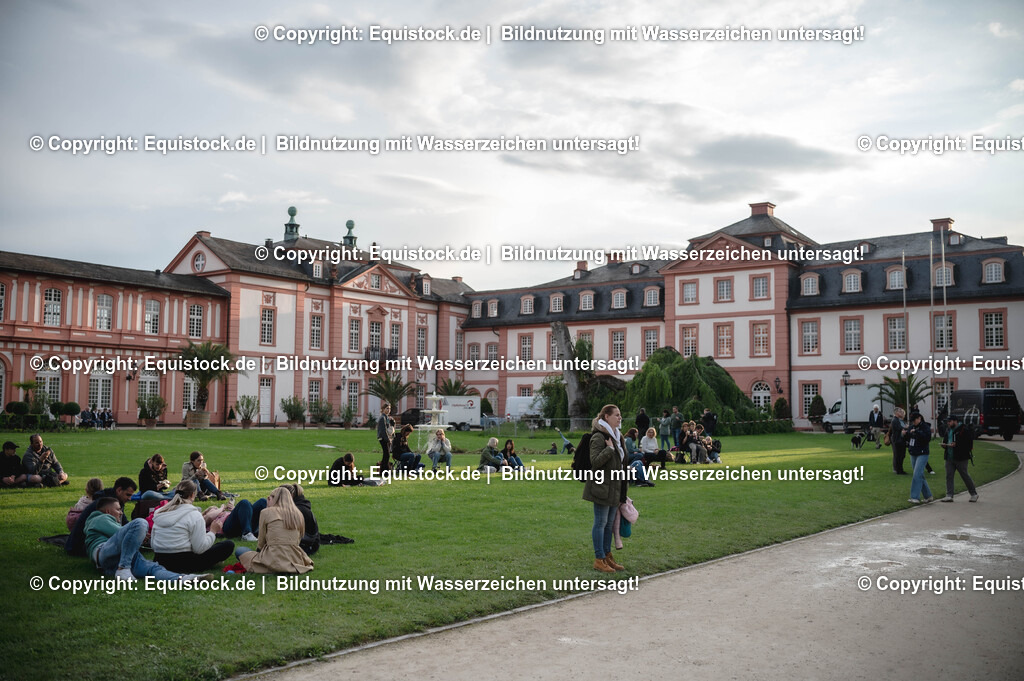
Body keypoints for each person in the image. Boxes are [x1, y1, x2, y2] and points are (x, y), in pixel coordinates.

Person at [85, 497, 202, 582]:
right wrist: (139, 534)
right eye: (118, 509)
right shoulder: (99, 519)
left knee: (152, 568)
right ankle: (123, 568)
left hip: (115, 562)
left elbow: (127, 537)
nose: (121, 513)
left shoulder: (105, 519)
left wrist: (137, 536)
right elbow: (121, 533)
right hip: (104, 551)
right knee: (140, 523)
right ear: (108, 511)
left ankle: (182, 578)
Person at [151, 480, 235, 572]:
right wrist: (213, 531)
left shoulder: (160, 513)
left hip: (159, 560)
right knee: (228, 545)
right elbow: (199, 548)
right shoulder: (194, 515)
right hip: (183, 563)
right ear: (192, 495)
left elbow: (153, 544)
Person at [583, 404, 628, 573]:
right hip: (601, 486)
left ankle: (607, 556)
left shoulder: (618, 436)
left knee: (609, 524)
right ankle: (599, 558)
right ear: (606, 417)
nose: (619, 417)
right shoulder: (599, 436)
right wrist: (609, 449)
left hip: (615, 487)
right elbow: (594, 462)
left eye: (620, 414)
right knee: (600, 523)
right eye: (616, 415)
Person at [235, 486, 314, 574]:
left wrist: (259, 554)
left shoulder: (266, 512)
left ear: (274, 498)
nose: (268, 499)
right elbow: (298, 540)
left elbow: (261, 542)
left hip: (272, 558)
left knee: (240, 550)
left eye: (270, 497)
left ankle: (269, 567)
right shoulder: (298, 514)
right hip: (293, 558)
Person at [65, 477, 138, 555]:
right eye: (128, 495)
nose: (130, 499)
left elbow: (123, 522)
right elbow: (114, 530)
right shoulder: (108, 503)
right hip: (81, 546)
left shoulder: (112, 500)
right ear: (119, 490)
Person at [251, 483, 320, 554]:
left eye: (276, 496)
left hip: (303, 546)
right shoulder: (299, 509)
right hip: (301, 547)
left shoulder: (296, 511)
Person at [940, 414, 979, 503]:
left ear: (955, 421)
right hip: (949, 457)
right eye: (947, 422)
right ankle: (949, 495)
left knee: (964, 475)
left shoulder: (964, 430)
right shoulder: (948, 430)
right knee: (949, 476)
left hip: (961, 458)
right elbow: (946, 441)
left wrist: (957, 445)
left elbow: (969, 445)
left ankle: (974, 494)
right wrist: (944, 445)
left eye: (949, 421)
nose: (948, 423)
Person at [904, 411, 934, 504]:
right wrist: (905, 434)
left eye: (914, 420)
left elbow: (927, 437)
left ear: (919, 418)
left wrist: (917, 432)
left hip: (922, 453)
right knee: (919, 475)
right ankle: (928, 496)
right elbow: (908, 437)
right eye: (912, 421)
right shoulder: (912, 427)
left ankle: (914, 497)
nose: (913, 422)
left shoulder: (925, 427)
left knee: (917, 474)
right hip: (913, 452)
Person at [377, 403, 396, 474]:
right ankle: (384, 470)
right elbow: (383, 430)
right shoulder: (382, 418)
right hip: (383, 438)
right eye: (387, 408)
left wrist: (393, 422)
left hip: (386, 438)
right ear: (383, 409)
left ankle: (384, 470)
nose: (388, 410)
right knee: (386, 454)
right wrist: (388, 439)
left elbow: (390, 428)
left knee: (386, 454)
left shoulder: (386, 417)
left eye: (389, 408)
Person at [888, 407, 908, 475]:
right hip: (897, 440)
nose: (901, 413)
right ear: (896, 413)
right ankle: (898, 470)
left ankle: (900, 469)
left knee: (902, 455)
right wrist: (905, 428)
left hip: (901, 439)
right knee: (898, 455)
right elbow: (899, 428)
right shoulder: (895, 420)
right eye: (900, 412)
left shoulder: (899, 420)